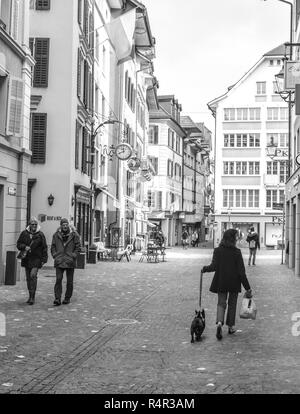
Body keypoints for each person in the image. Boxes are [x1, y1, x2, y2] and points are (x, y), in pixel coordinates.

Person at [202, 229, 252, 340]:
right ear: (232, 239)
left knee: (221, 303)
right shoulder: (237, 252)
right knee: (232, 304)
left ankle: (219, 323)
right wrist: (247, 288)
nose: (236, 239)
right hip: (234, 282)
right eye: (235, 237)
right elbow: (241, 273)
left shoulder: (218, 251)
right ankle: (230, 327)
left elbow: (213, 266)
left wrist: (205, 269)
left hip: (221, 281)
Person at [16, 217, 48, 305]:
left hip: (36, 258)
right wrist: (24, 247)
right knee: (28, 278)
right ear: (29, 225)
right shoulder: (24, 233)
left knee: (33, 275)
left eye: (35, 224)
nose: (34, 226)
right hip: (27, 258)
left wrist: (44, 259)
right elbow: (18, 244)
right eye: (32, 224)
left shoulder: (41, 234)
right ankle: (30, 296)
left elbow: (44, 247)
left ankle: (33, 297)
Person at [51, 218, 81, 306]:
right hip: (59, 260)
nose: (65, 226)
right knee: (58, 279)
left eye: (66, 224)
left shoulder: (74, 235)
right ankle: (57, 298)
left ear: (68, 225)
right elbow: (53, 246)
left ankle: (67, 298)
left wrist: (73, 256)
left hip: (69, 261)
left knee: (69, 281)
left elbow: (78, 247)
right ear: (61, 226)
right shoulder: (56, 235)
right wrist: (55, 255)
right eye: (63, 225)